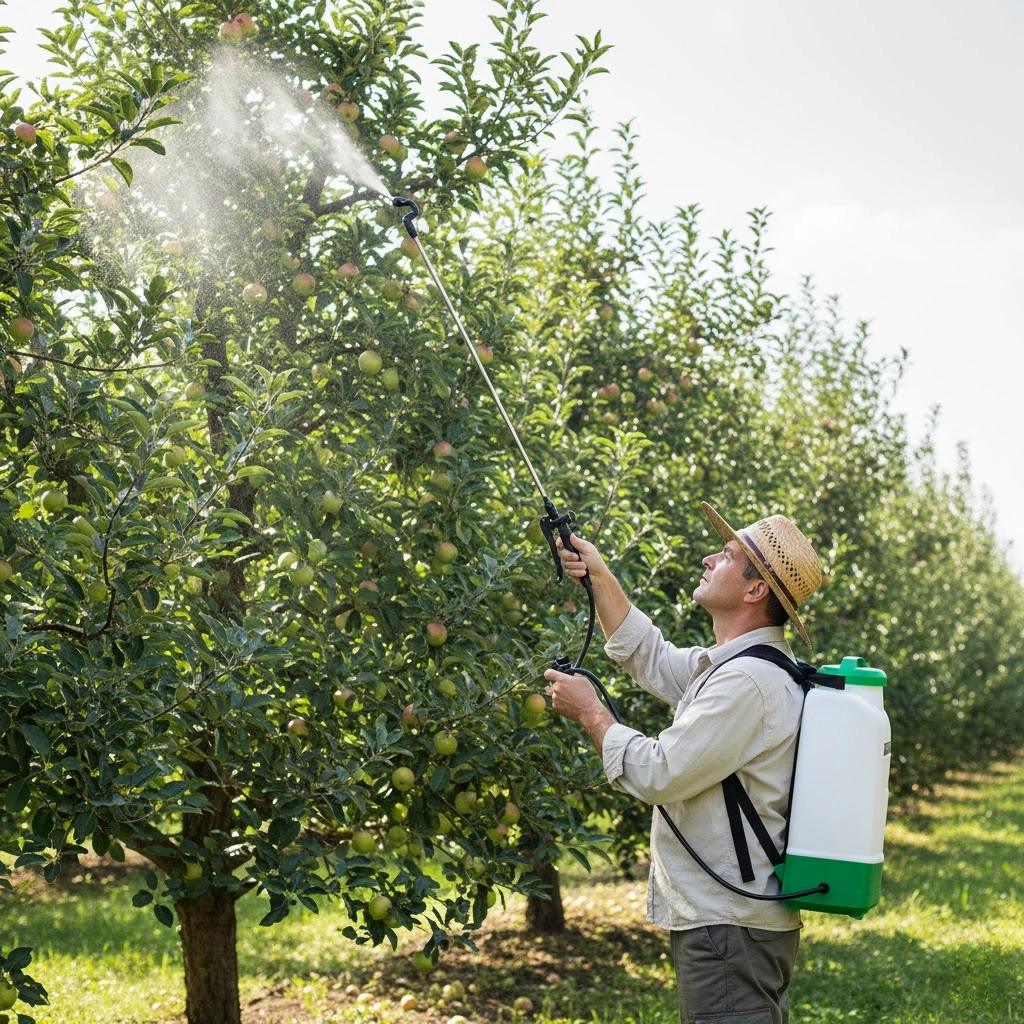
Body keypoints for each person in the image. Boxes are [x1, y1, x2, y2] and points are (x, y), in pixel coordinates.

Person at [544, 500, 823, 1024]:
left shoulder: (747, 682)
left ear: (754, 590)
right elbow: (647, 654)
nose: (708, 559)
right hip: (734, 921)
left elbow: (659, 773)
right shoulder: (736, 667)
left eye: (726, 554)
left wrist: (591, 713)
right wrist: (599, 574)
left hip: (729, 925)